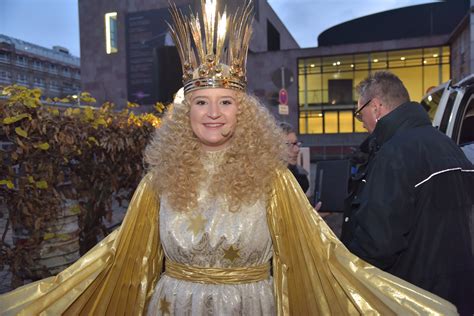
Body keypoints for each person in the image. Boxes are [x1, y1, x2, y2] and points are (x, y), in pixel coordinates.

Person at [0, 2, 459, 315]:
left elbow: (320, 256)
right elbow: (121, 257)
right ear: (186, 113)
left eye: (226, 102)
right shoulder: (159, 180)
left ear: (244, 111)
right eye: (201, 102)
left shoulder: (273, 180)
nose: (213, 114)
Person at [341, 70, 474, 315]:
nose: (362, 124)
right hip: (460, 296)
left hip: (416, 299)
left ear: (376, 108)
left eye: (361, 115)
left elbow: (376, 245)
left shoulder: (393, 155)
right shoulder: (450, 147)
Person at [278, 122, 309, 193]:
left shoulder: (299, 175)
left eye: (296, 143)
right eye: (288, 145)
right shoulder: (269, 183)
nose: (297, 149)